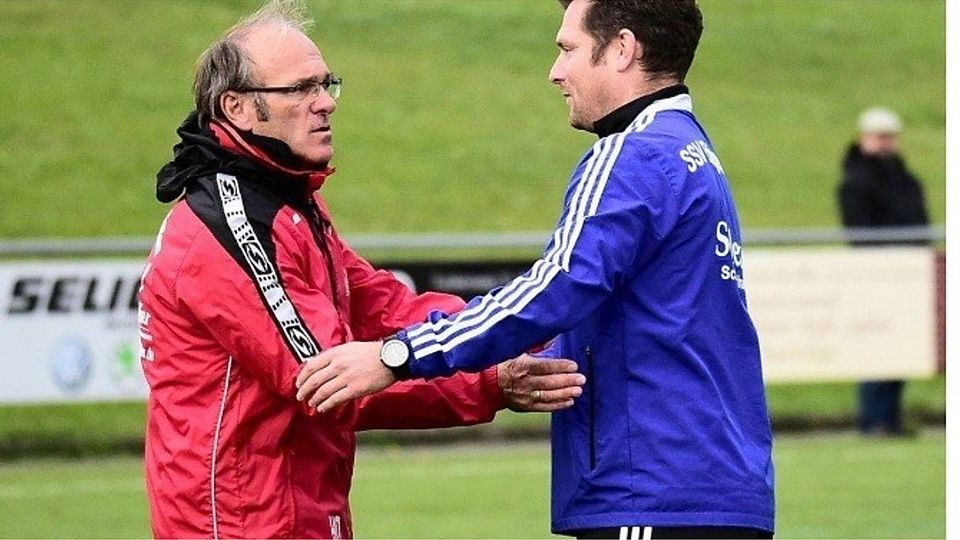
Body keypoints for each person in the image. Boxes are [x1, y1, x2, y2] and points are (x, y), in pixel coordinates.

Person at [297, 0, 775, 538]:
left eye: (567, 49)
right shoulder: (692, 153)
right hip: (710, 488)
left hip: (651, 490)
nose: (556, 72)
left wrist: (398, 355)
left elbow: (552, 290)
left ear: (621, 49)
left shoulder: (631, 155)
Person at [137, 1, 585, 537]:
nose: (325, 103)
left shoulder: (283, 199)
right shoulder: (234, 222)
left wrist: (515, 330)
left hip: (293, 507)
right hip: (243, 522)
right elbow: (330, 378)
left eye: (326, 84)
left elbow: (380, 303)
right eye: (300, 89)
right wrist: (490, 380)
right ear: (236, 107)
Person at [837, 106, 929, 437]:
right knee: (876, 349)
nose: (886, 143)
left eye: (890, 136)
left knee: (902, 348)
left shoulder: (904, 178)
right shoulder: (856, 181)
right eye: (880, 136)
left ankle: (890, 418)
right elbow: (858, 231)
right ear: (865, 138)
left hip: (907, 274)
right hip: (874, 276)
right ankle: (873, 419)